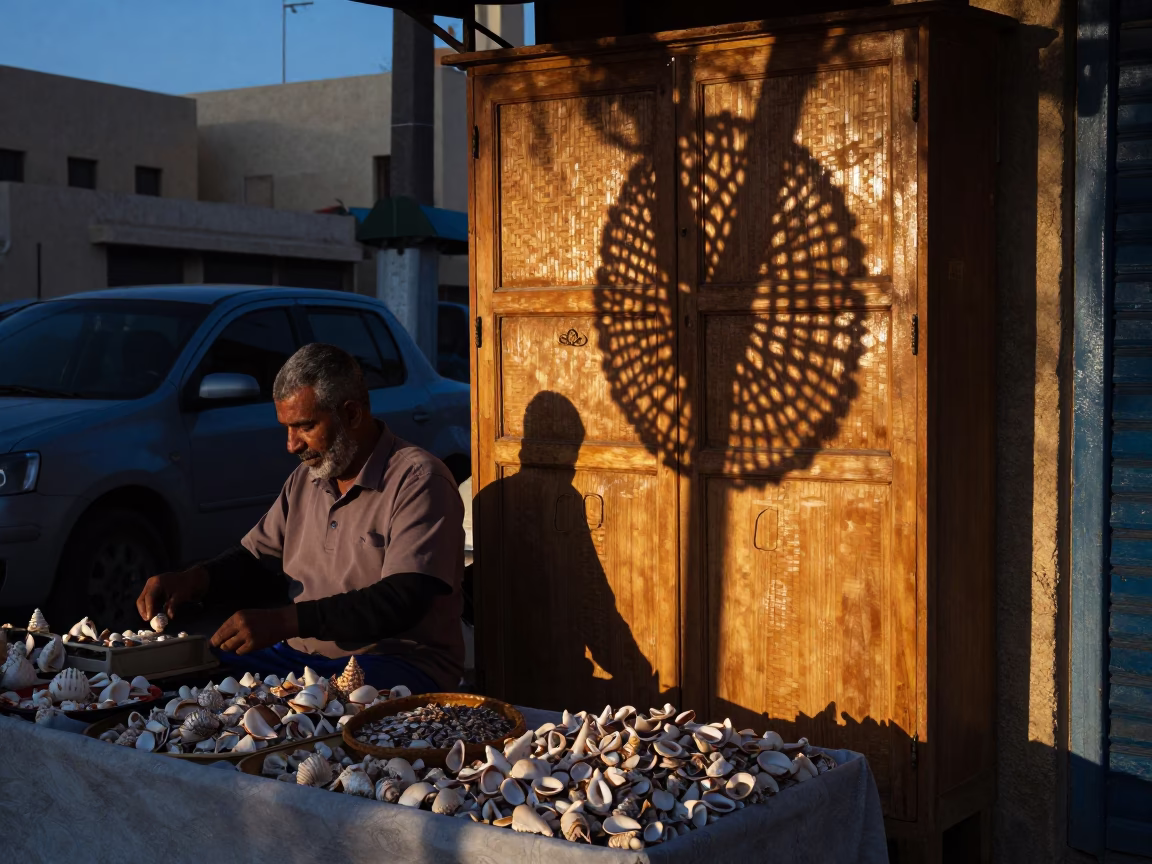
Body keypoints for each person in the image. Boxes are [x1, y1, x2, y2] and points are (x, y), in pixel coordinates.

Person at [136, 343, 465, 693]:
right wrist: (194, 580)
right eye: (286, 428)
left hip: (396, 661)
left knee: (303, 711)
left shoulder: (419, 480)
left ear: (352, 415)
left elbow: (400, 601)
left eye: (305, 427)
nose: (291, 445)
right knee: (180, 680)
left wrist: (285, 621)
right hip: (301, 658)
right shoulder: (307, 478)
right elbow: (255, 559)